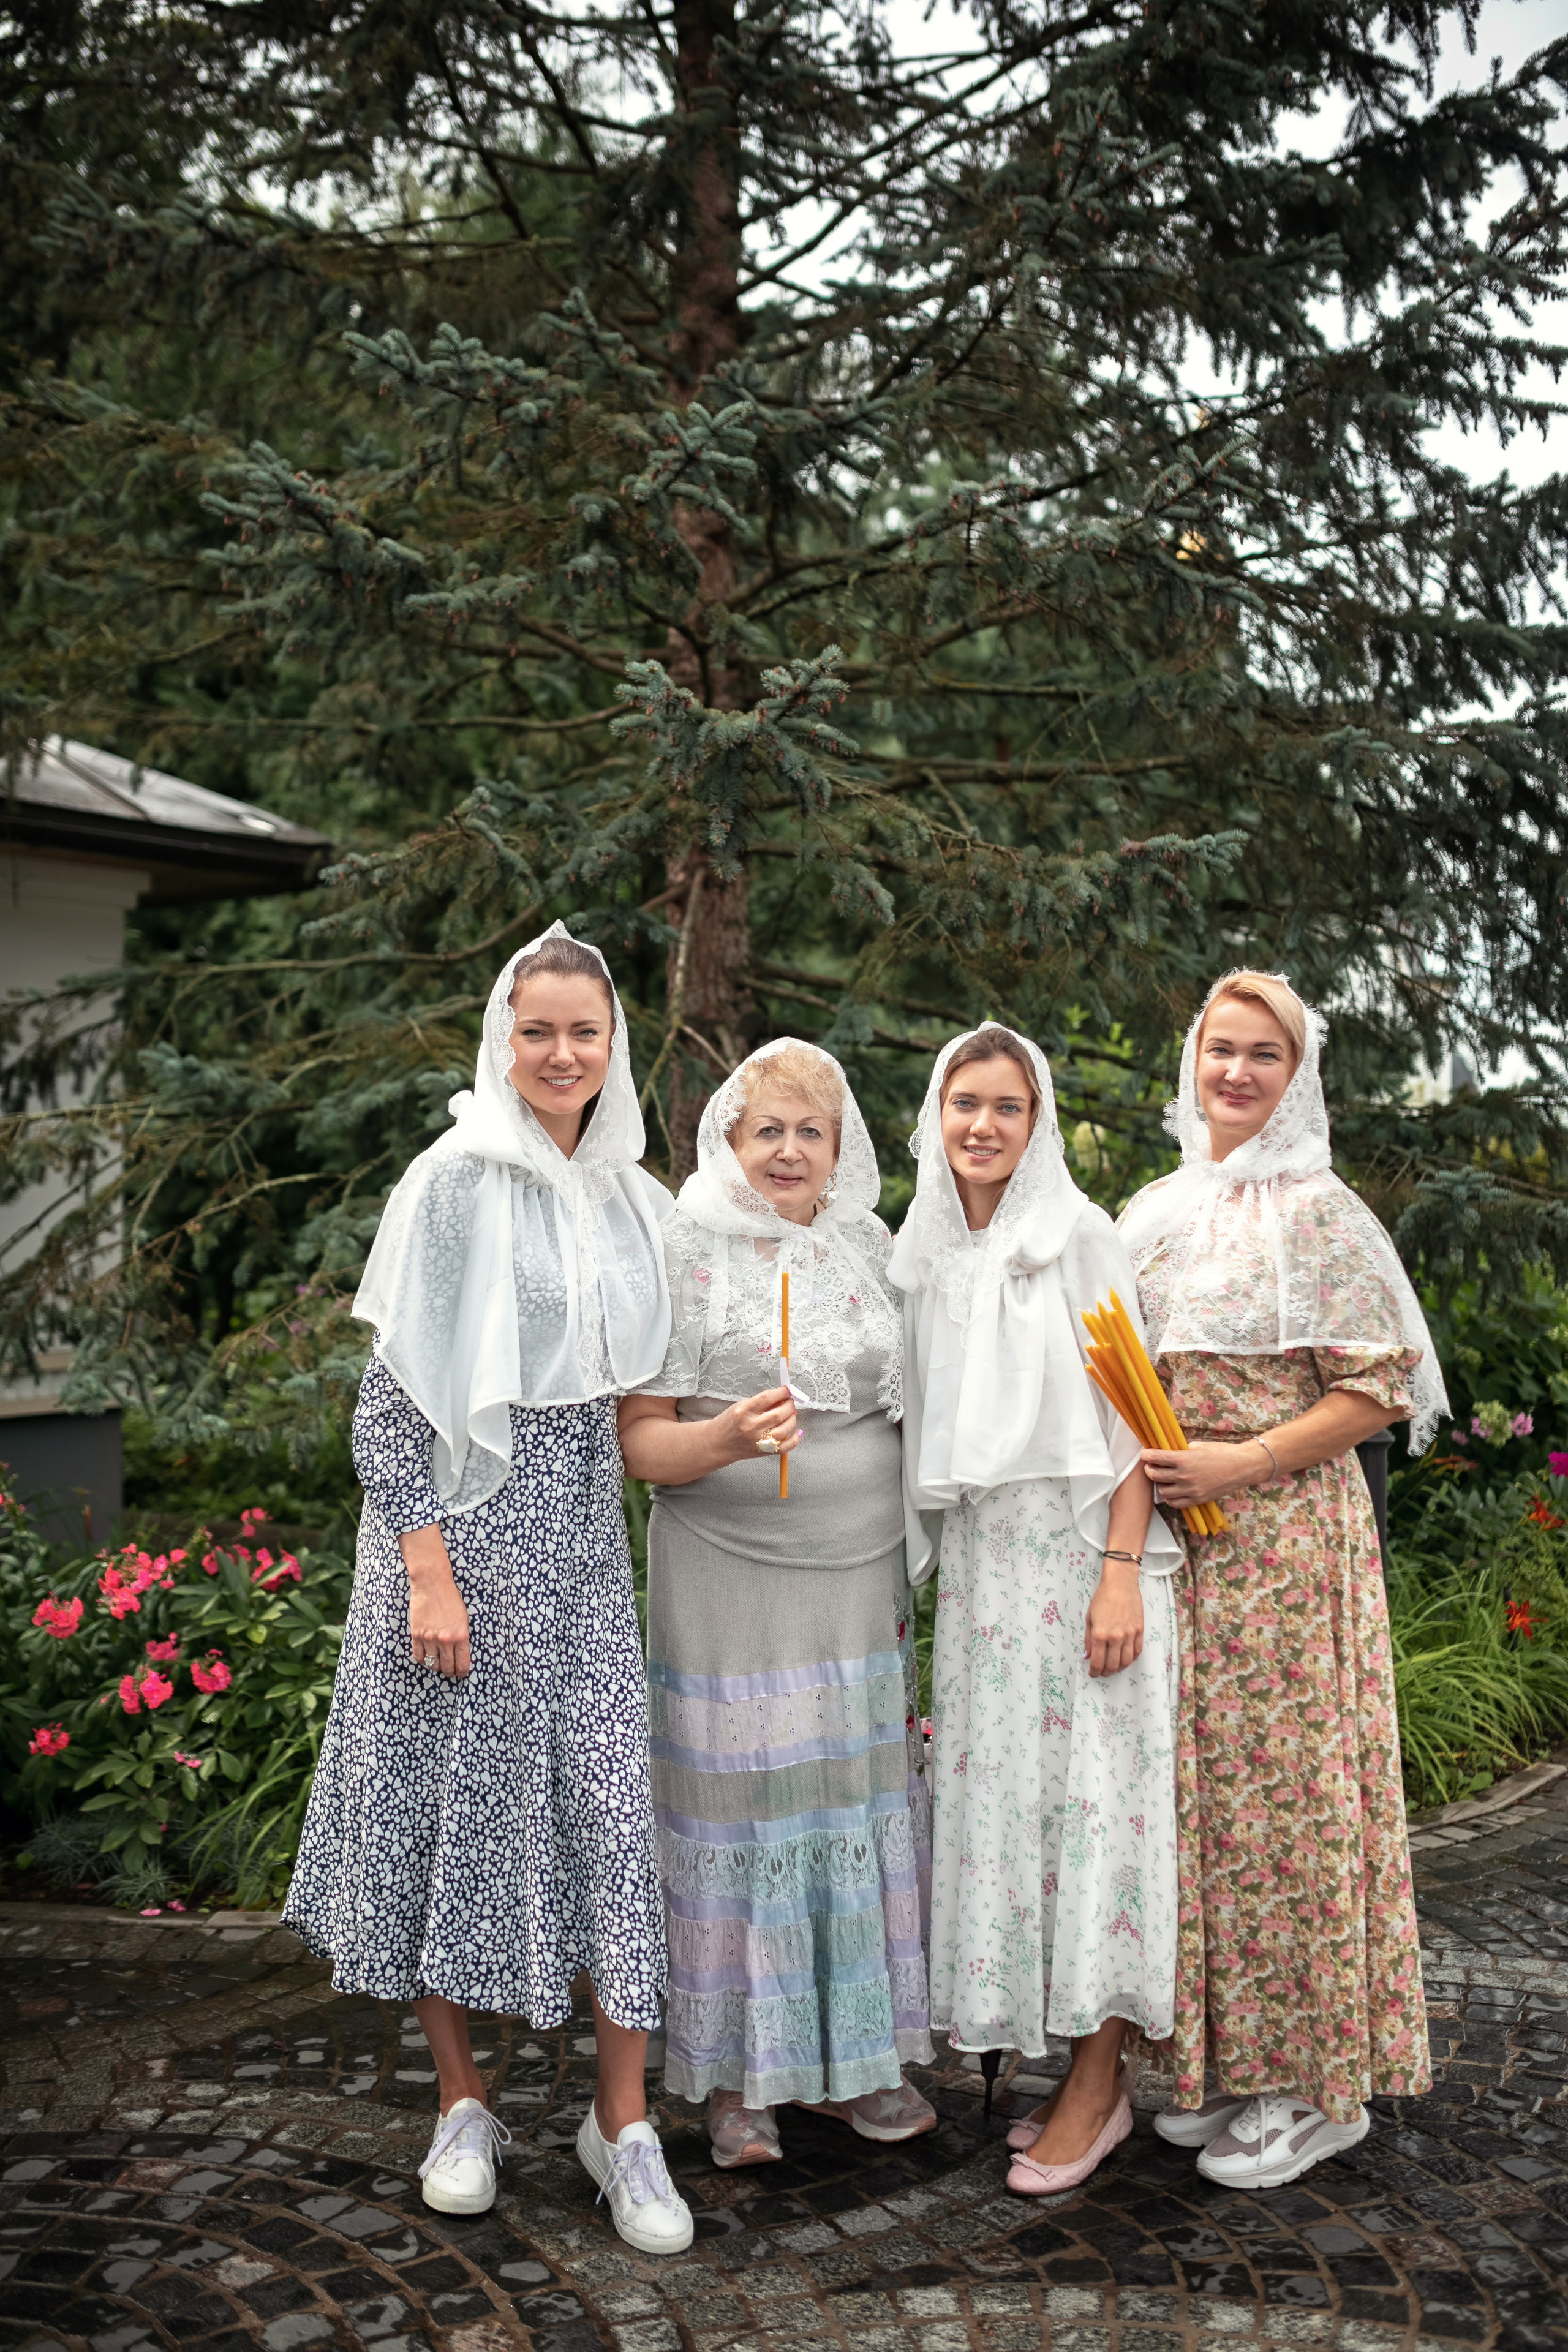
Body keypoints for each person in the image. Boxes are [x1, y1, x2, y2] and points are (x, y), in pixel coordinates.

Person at [285, 922, 694, 2254]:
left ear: (611, 1043)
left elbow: (635, 1411)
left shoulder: (636, 1195)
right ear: (502, 1040)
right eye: (539, 1031)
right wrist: (424, 1571)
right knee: (442, 1821)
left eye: (585, 1032)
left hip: (580, 1552)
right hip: (453, 1546)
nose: (563, 1053)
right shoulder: (453, 1182)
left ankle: (620, 2125)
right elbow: (392, 1405)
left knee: (611, 1819)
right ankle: (461, 2103)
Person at [1120, 969, 1446, 2191]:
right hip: (1187, 1559)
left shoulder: (1320, 1216)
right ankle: (1238, 2069)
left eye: (1264, 1054)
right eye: (1220, 1049)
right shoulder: (1156, 1208)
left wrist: (1238, 1459)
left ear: (1296, 1075)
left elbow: (1375, 1390)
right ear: (1191, 1058)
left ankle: (1322, 2090)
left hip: (1290, 1558)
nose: (1237, 1072)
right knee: (1210, 1820)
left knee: (1294, 1819)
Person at [618, 1037, 936, 2169]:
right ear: (728, 1143)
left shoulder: (868, 1247)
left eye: (812, 1131)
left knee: (846, 1809)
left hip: (856, 1581)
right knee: (747, 1814)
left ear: (840, 1147)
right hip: (728, 1577)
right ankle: (738, 2080)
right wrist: (724, 1435)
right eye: (768, 1131)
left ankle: (855, 2065)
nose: (789, 1150)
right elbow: (641, 1444)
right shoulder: (684, 1249)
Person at [889, 1025, 1182, 2197]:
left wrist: (1121, 1566)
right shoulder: (920, 1255)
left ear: (1039, 1119)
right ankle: (1064, 2071)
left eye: (1009, 1107)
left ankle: (1102, 2087)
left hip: (1076, 1562)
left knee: (1092, 1816)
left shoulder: (1080, 1237)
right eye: (966, 1102)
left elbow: (1133, 1418)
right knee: (1010, 1816)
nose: (984, 1127)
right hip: (983, 1581)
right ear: (935, 1112)